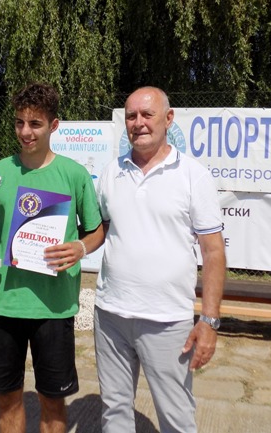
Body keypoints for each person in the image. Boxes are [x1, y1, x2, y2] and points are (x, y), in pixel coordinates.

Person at [0, 82, 103, 433]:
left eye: (35, 124)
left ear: (53, 125)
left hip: (53, 307)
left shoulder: (74, 174)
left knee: (53, 401)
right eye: (19, 123)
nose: (25, 132)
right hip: (3, 303)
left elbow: (96, 231)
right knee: (7, 399)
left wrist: (80, 248)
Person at [94, 87, 226, 432]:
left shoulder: (193, 175)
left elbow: (213, 252)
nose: (138, 123)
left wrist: (209, 322)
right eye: (131, 116)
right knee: (114, 411)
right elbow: (99, 230)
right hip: (110, 316)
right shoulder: (111, 173)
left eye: (146, 114)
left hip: (167, 321)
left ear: (168, 119)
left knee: (176, 418)